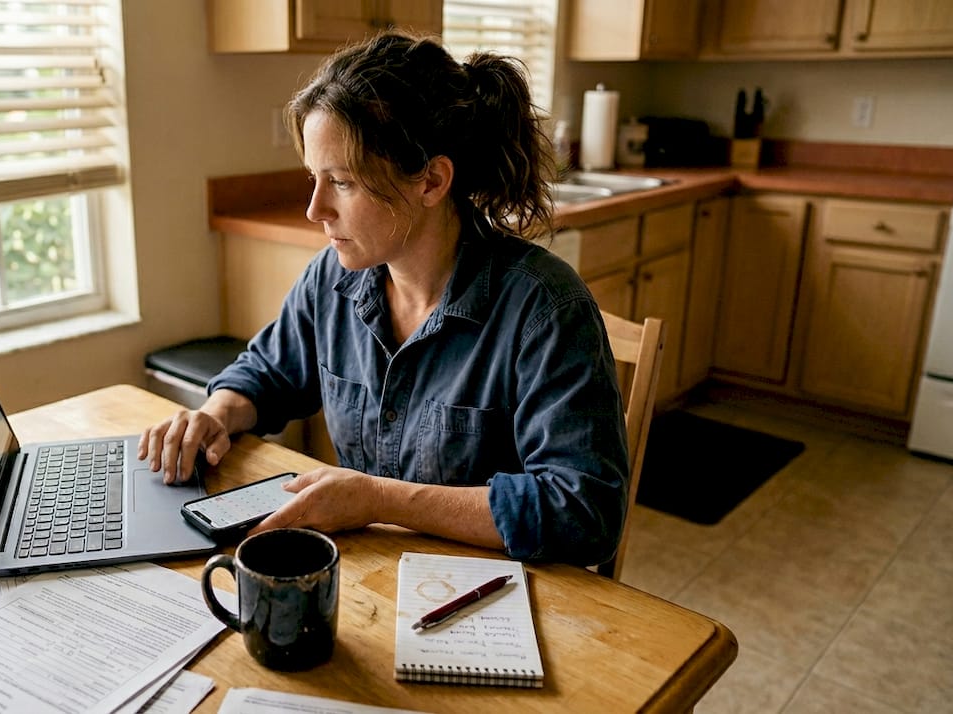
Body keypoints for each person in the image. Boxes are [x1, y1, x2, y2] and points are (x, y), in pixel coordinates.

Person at [139, 31, 629, 566]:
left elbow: (585, 513)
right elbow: (268, 373)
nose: (315, 209)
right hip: (373, 577)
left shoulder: (545, 308)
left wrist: (378, 499)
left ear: (431, 181)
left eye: (342, 182)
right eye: (313, 179)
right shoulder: (333, 278)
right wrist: (216, 412)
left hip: (502, 599)